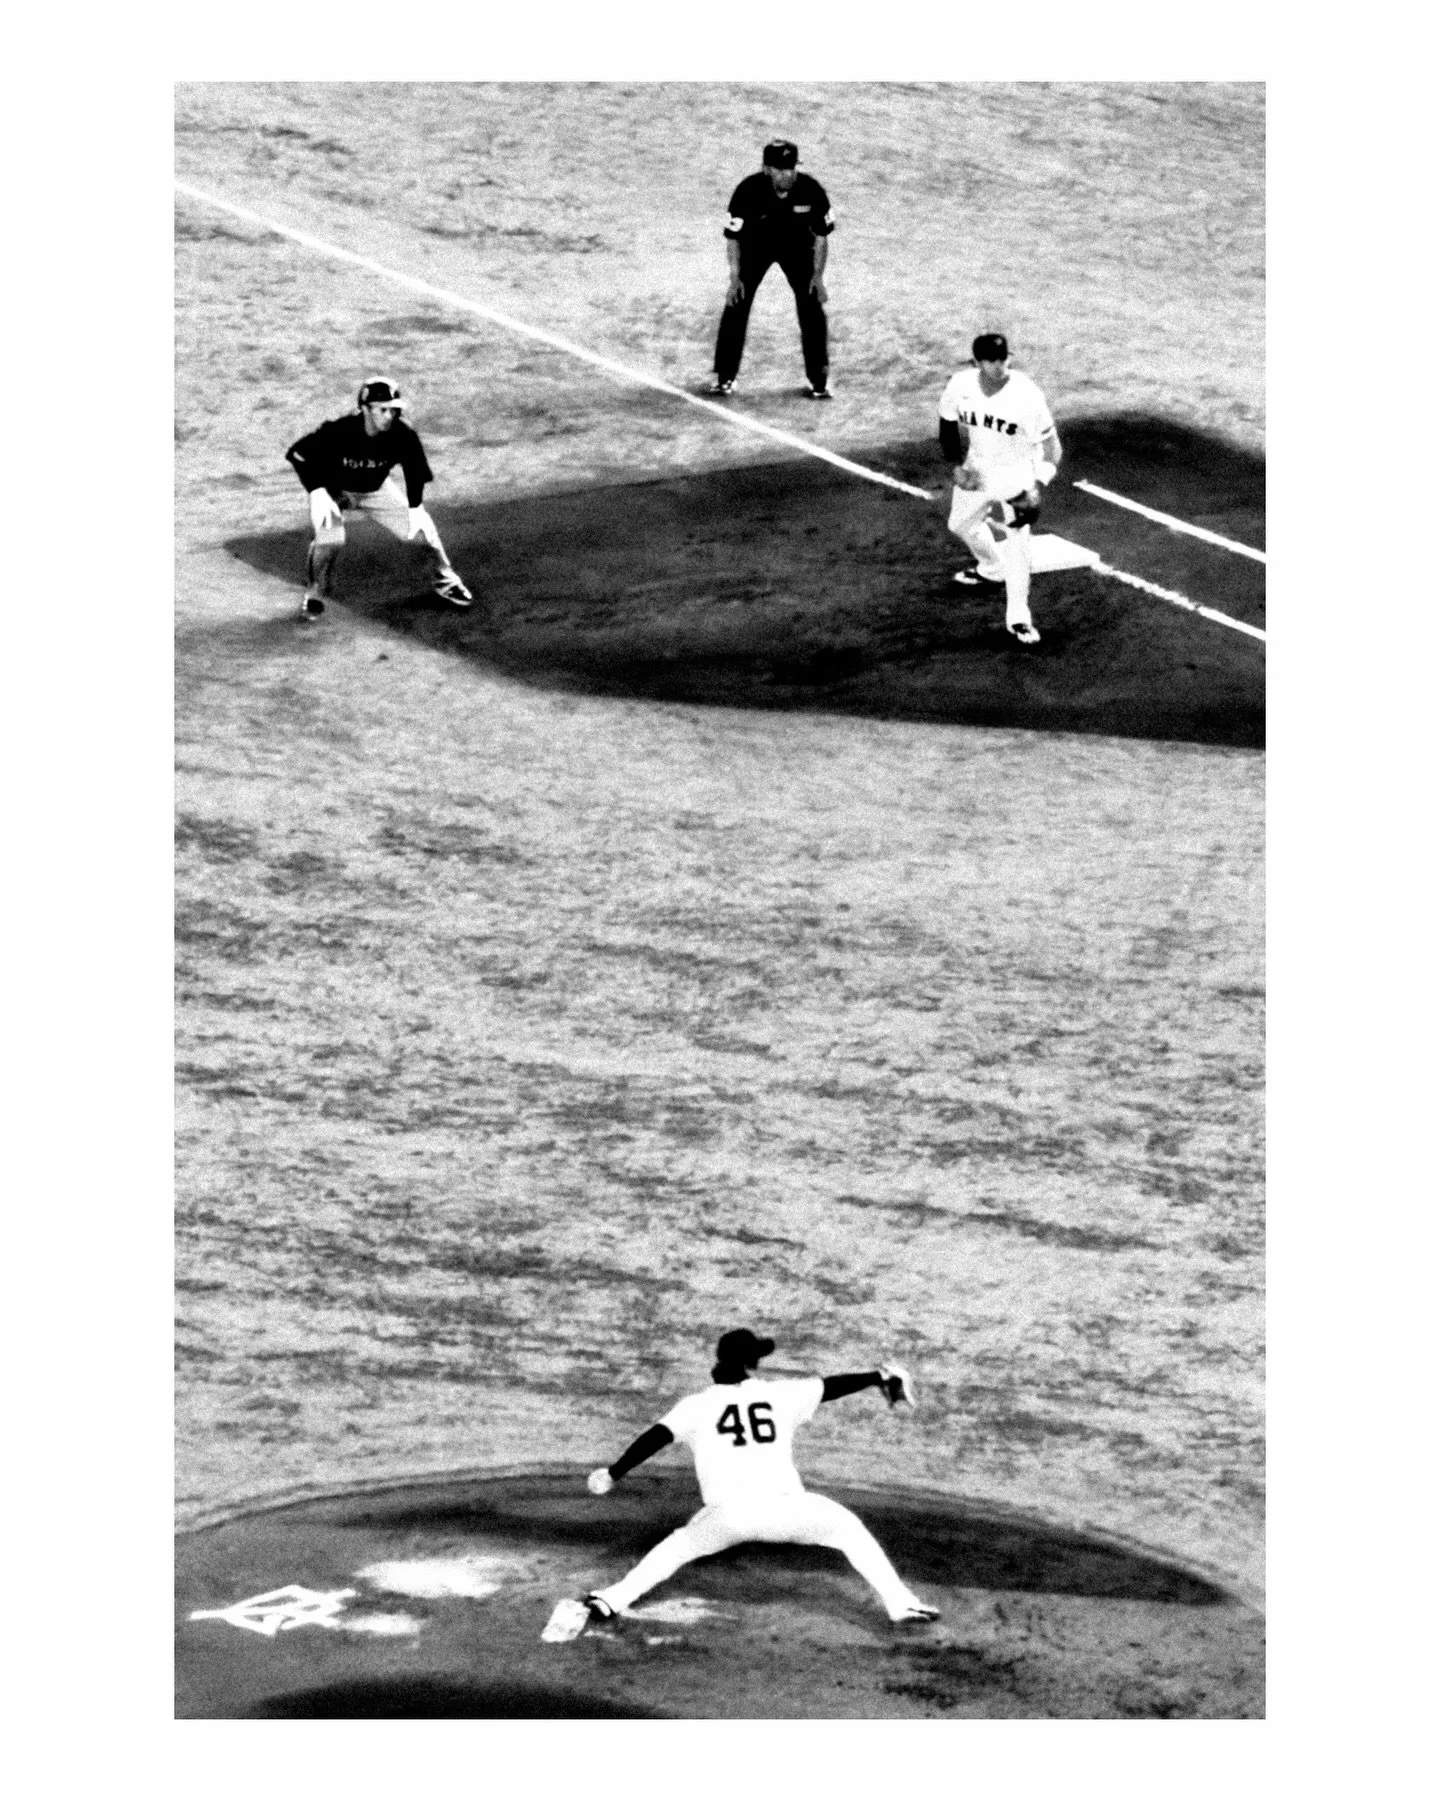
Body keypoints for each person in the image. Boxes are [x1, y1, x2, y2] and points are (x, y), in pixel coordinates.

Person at [541, 1328, 940, 1641]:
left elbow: (654, 1439)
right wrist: (878, 1377)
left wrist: (612, 1474)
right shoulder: (781, 1394)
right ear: (752, 1365)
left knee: (678, 1546)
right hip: (793, 1512)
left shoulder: (697, 1405)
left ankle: (610, 1600)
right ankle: (901, 1603)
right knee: (848, 1529)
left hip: (729, 1518)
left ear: (719, 1360)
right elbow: (831, 1385)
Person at [284, 378, 473, 622]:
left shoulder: (403, 434)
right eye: (383, 409)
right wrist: (317, 489)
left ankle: (446, 581)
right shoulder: (340, 430)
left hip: (375, 489)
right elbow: (297, 454)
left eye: (393, 409)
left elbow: (415, 472)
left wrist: (415, 508)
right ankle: (315, 592)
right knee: (331, 539)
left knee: (422, 531)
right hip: (333, 490)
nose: (389, 415)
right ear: (366, 408)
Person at [938, 332, 1063, 645]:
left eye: (1003, 359)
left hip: (1017, 475)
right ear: (977, 362)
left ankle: (1019, 619)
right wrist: (957, 466)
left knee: (1019, 546)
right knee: (960, 524)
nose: (998, 366)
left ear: (1010, 357)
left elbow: (1052, 449)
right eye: (990, 361)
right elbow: (947, 423)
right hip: (978, 470)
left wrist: (1037, 486)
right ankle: (992, 567)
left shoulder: (1027, 395)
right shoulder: (960, 385)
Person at [709, 140, 835, 400]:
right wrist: (735, 277)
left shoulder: (811, 190)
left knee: (812, 305)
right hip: (756, 247)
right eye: (779, 169)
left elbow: (822, 237)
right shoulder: (747, 191)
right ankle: (724, 377)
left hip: (798, 249)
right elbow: (733, 237)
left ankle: (819, 379)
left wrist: (818, 277)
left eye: (791, 168)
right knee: (736, 302)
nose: (787, 174)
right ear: (766, 169)